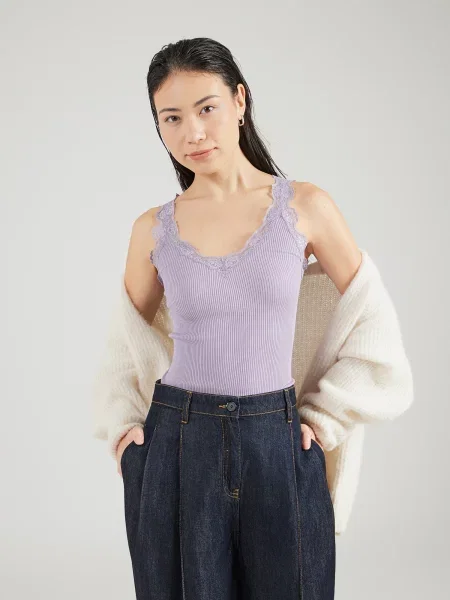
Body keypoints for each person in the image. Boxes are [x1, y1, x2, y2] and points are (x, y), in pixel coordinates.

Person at [102, 37, 400, 600]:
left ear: (240, 100)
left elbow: (372, 319)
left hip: (276, 440)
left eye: (206, 108)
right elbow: (124, 339)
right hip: (178, 443)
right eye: (172, 118)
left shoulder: (304, 206)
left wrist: (327, 417)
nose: (192, 133)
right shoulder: (153, 228)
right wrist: (123, 431)